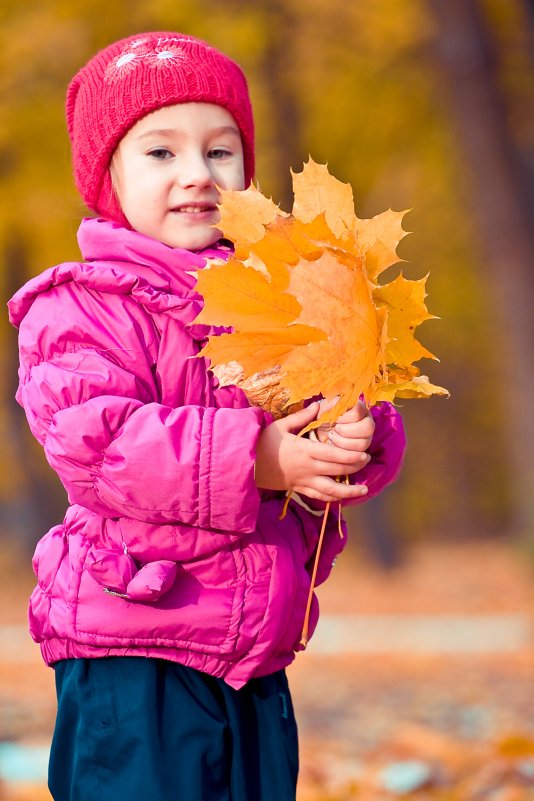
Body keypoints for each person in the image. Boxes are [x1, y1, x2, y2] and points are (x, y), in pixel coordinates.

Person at [8, 31, 406, 801]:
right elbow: (101, 442)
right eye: (161, 153)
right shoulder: (79, 307)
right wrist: (258, 456)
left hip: (256, 644)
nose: (197, 174)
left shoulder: (282, 297)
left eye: (220, 152)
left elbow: (346, 406)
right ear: (106, 178)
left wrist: (350, 436)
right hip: (135, 643)